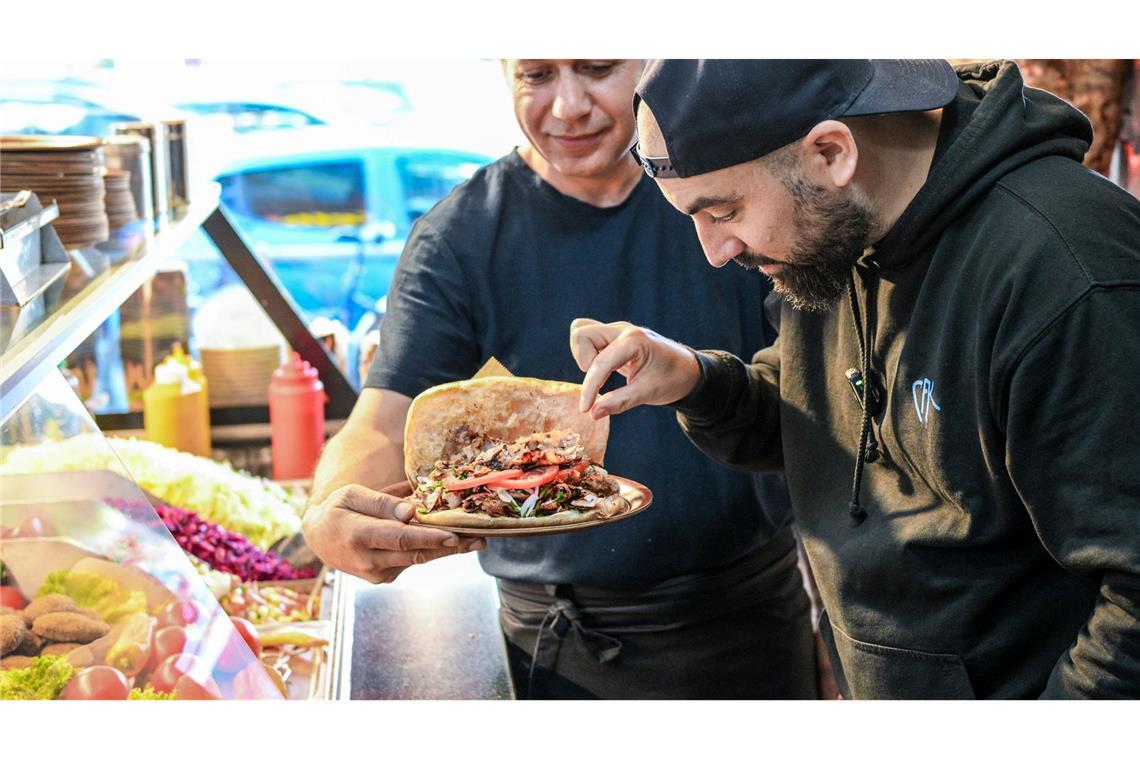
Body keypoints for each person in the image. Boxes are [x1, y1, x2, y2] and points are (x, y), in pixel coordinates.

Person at [571, 59, 1140, 699]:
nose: (715, 251)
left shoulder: (1070, 275)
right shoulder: (837, 228)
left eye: (724, 210)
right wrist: (698, 381)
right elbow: (826, 417)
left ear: (832, 151)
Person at [302, 59, 818, 699]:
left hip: (749, 617)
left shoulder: (726, 193)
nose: (568, 105)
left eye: (598, 68)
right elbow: (381, 419)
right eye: (537, 75)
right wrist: (327, 513)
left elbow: (814, 398)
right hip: (555, 641)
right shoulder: (462, 235)